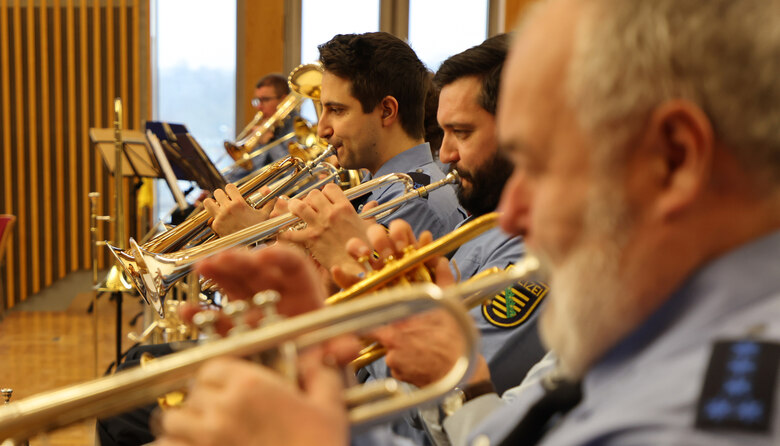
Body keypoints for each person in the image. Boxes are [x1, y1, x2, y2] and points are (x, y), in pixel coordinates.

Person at [155, 0, 780, 445]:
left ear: (674, 160)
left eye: (540, 163)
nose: (513, 211)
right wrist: (329, 373)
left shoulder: (718, 405)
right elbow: (493, 434)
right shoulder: (643, 320)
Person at [346, 34, 547, 445]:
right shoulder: (478, 226)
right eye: (443, 133)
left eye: (462, 132)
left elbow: (432, 419)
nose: (446, 155)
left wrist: (365, 284)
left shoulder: (532, 253)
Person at [206, 32, 464, 277]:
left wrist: (251, 240)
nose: (321, 130)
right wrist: (269, 233)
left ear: (386, 111)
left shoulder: (412, 200)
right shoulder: (383, 187)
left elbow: (340, 310)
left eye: (337, 110)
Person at [223, 73, 298, 183]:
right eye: (258, 100)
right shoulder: (264, 128)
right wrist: (220, 185)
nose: (259, 107)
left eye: (265, 100)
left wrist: (271, 142)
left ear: (283, 100)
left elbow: (294, 173)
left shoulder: (300, 129)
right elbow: (248, 171)